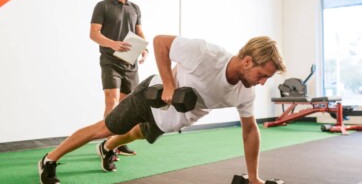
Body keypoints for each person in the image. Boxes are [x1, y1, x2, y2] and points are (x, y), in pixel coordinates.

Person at [38, 35, 286, 184]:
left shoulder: (245, 92)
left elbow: (250, 130)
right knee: (105, 127)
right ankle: (49, 160)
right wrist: (168, 83)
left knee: (137, 134)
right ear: (247, 61)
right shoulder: (206, 54)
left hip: (171, 119)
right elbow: (161, 42)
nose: (262, 82)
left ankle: (107, 148)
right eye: (262, 75)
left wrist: (253, 177)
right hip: (152, 96)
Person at [89, 0, 148, 156]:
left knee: (127, 106)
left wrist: (144, 47)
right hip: (110, 61)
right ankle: (108, 145)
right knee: (112, 101)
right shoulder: (102, 6)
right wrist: (113, 44)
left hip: (130, 63)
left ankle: (119, 142)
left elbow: (139, 32)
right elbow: (93, 34)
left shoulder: (135, 8)